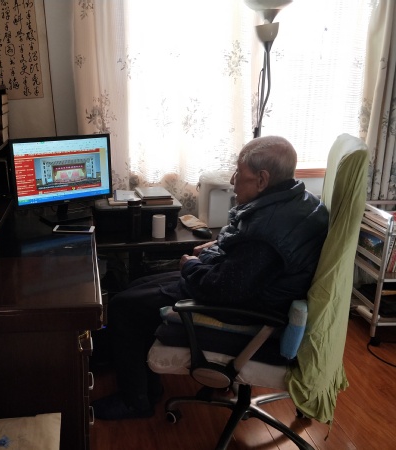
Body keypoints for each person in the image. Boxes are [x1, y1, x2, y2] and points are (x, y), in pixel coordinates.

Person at [92, 135, 329, 420]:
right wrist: (215, 248)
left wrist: (191, 266)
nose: (232, 180)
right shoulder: (298, 201)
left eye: (239, 173)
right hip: (249, 289)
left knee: (123, 306)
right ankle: (132, 371)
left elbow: (223, 288)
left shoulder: (268, 234)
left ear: (262, 179)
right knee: (137, 285)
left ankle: (136, 402)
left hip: (245, 310)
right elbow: (246, 249)